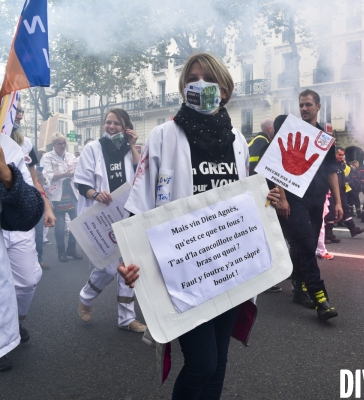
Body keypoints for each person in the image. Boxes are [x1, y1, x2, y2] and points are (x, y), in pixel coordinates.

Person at [118, 53, 280, 399]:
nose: (200, 84)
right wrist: (128, 259)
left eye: (208, 78)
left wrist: (271, 204)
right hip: (184, 269)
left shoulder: (237, 141)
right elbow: (139, 204)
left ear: (224, 89)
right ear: (182, 87)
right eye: (192, 78)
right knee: (202, 363)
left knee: (219, 361)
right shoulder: (163, 136)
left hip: (227, 265)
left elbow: (243, 202)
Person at [74, 109, 146, 332]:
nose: (111, 126)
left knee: (129, 265)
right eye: (108, 122)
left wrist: (133, 144)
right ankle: (86, 298)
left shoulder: (128, 149)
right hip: (101, 214)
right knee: (107, 269)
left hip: (126, 213)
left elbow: (140, 173)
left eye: (116, 123)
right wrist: (96, 194)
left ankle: (126, 318)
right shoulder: (93, 148)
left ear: (125, 127)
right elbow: (81, 183)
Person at [278, 89, 341, 320]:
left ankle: (298, 285)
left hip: (317, 197)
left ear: (318, 107)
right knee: (305, 245)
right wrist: (282, 197)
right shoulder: (291, 131)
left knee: (308, 245)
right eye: (301, 105)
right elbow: (277, 167)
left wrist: (337, 201)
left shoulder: (325, 138)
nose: (304, 109)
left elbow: (332, 171)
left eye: (308, 105)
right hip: (296, 199)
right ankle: (320, 299)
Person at [0, 133, 45, 372]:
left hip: (15, 229)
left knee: (27, 280)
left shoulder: (8, 146)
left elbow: (30, 198)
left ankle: (13, 323)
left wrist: (7, 178)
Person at [10, 103, 56, 272]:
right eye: (16, 111)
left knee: (28, 280)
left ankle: (38, 259)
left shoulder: (27, 143)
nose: (20, 116)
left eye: (21, 111)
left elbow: (34, 179)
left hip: (27, 209)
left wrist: (47, 207)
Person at [247, 118, 282, 293]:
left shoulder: (252, 141)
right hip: (264, 196)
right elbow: (270, 172)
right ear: (270, 129)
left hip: (250, 194)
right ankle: (266, 277)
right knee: (266, 237)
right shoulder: (267, 144)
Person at [41, 133, 83, 262]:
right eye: (59, 143)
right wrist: (66, 174)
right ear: (53, 145)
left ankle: (71, 248)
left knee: (77, 224)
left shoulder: (71, 157)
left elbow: (78, 171)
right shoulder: (47, 157)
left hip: (72, 194)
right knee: (59, 226)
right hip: (56, 195)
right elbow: (47, 176)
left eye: (64, 143)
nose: (63, 146)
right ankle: (61, 252)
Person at [324, 147, 364, 242]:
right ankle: (328, 234)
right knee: (330, 212)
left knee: (345, 209)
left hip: (341, 191)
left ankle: (353, 229)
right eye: (339, 155)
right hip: (331, 191)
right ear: (334, 154)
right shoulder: (330, 165)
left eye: (343, 155)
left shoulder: (341, 165)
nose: (341, 157)